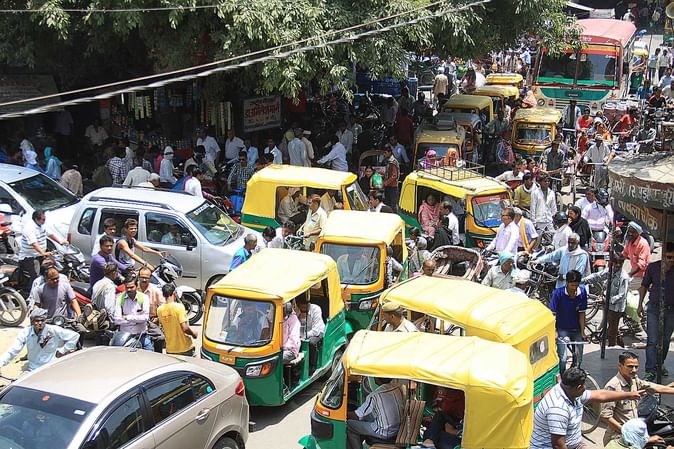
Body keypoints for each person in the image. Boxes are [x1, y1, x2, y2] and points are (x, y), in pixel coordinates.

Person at [529, 367, 644, 449]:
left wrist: (629, 395)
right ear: (579, 387)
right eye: (584, 385)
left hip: (574, 443)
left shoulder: (570, 391)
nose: (585, 388)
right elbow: (558, 445)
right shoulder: (558, 409)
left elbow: (601, 395)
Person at [601, 352, 674, 445]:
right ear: (620, 366)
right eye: (630, 366)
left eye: (636, 367)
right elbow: (606, 416)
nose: (634, 370)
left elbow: (655, 387)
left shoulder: (634, 380)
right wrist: (628, 433)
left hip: (633, 436)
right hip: (618, 438)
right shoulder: (613, 387)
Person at [0, 308, 79, 372]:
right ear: (32, 322)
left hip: (51, 366)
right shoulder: (26, 332)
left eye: (42, 320)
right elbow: (13, 350)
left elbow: (75, 336)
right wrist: (1, 363)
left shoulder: (54, 330)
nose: (40, 323)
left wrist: (62, 350)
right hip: (33, 369)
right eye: (37, 321)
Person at [639, 242, 674, 380]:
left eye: (673, 258)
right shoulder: (653, 267)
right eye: (669, 257)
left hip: (671, 310)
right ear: (663, 256)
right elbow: (644, 285)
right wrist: (640, 304)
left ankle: (660, 363)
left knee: (665, 340)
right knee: (652, 340)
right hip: (654, 308)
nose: (671, 260)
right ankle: (650, 369)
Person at [583, 253, 629, 347]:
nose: (618, 265)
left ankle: (612, 349)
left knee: (612, 331)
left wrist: (607, 300)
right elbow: (597, 276)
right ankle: (620, 345)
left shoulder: (623, 277)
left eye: (620, 263)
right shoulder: (609, 271)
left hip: (616, 307)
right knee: (613, 327)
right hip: (607, 304)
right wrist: (583, 280)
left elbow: (622, 295)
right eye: (615, 263)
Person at [347, 377, 404, 449]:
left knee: (349, 425)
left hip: (383, 432)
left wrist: (345, 413)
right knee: (366, 418)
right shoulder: (397, 389)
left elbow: (357, 416)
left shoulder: (374, 396)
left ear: (377, 378)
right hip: (396, 429)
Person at [18, 209, 67, 293]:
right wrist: (43, 253)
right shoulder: (29, 228)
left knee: (49, 270)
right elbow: (34, 243)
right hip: (30, 257)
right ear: (36, 219)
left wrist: (60, 241)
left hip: (40, 255)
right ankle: (30, 294)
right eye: (43, 219)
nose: (44, 220)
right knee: (35, 278)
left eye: (45, 219)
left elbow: (50, 234)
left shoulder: (42, 225)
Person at [549, 270, 587, 373]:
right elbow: (553, 314)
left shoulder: (582, 292)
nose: (574, 288)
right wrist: (555, 332)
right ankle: (562, 376)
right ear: (567, 283)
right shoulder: (558, 293)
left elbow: (582, 313)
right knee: (563, 358)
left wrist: (583, 332)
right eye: (572, 285)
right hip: (562, 329)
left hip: (576, 329)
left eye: (576, 285)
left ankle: (574, 375)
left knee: (578, 358)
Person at [113, 274, 152, 350]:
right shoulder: (119, 299)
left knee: (150, 354)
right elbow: (117, 320)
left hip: (141, 336)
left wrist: (127, 317)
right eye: (127, 287)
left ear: (136, 286)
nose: (129, 290)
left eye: (131, 287)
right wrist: (136, 322)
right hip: (125, 338)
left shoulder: (144, 298)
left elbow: (145, 318)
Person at [157, 283, 198, 356]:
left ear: (163, 295)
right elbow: (185, 328)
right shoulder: (179, 307)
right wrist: (193, 334)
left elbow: (162, 327)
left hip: (170, 349)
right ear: (174, 293)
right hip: (185, 348)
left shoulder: (159, 309)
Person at [296, 294, 325, 372]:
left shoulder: (316, 309)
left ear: (309, 304)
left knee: (311, 342)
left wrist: (303, 336)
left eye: (305, 307)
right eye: (301, 308)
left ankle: (312, 366)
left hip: (316, 332)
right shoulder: (296, 310)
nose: (303, 310)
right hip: (301, 332)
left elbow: (316, 330)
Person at [623, 221, 652, 295]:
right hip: (635, 274)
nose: (630, 234)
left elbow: (641, 265)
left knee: (624, 287)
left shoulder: (643, 244)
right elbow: (624, 254)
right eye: (629, 232)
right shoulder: (629, 241)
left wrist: (629, 274)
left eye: (632, 232)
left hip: (643, 276)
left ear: (637, 233)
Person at [381, 145, 401, 210]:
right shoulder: (388, 161)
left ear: (390, 152)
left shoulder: (393, 162)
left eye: (385, 153)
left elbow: (394, 176)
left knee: (392, 205)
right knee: (387, 204)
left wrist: (385, 183)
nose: (384, 154)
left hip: (392, 187)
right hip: (388, 186)